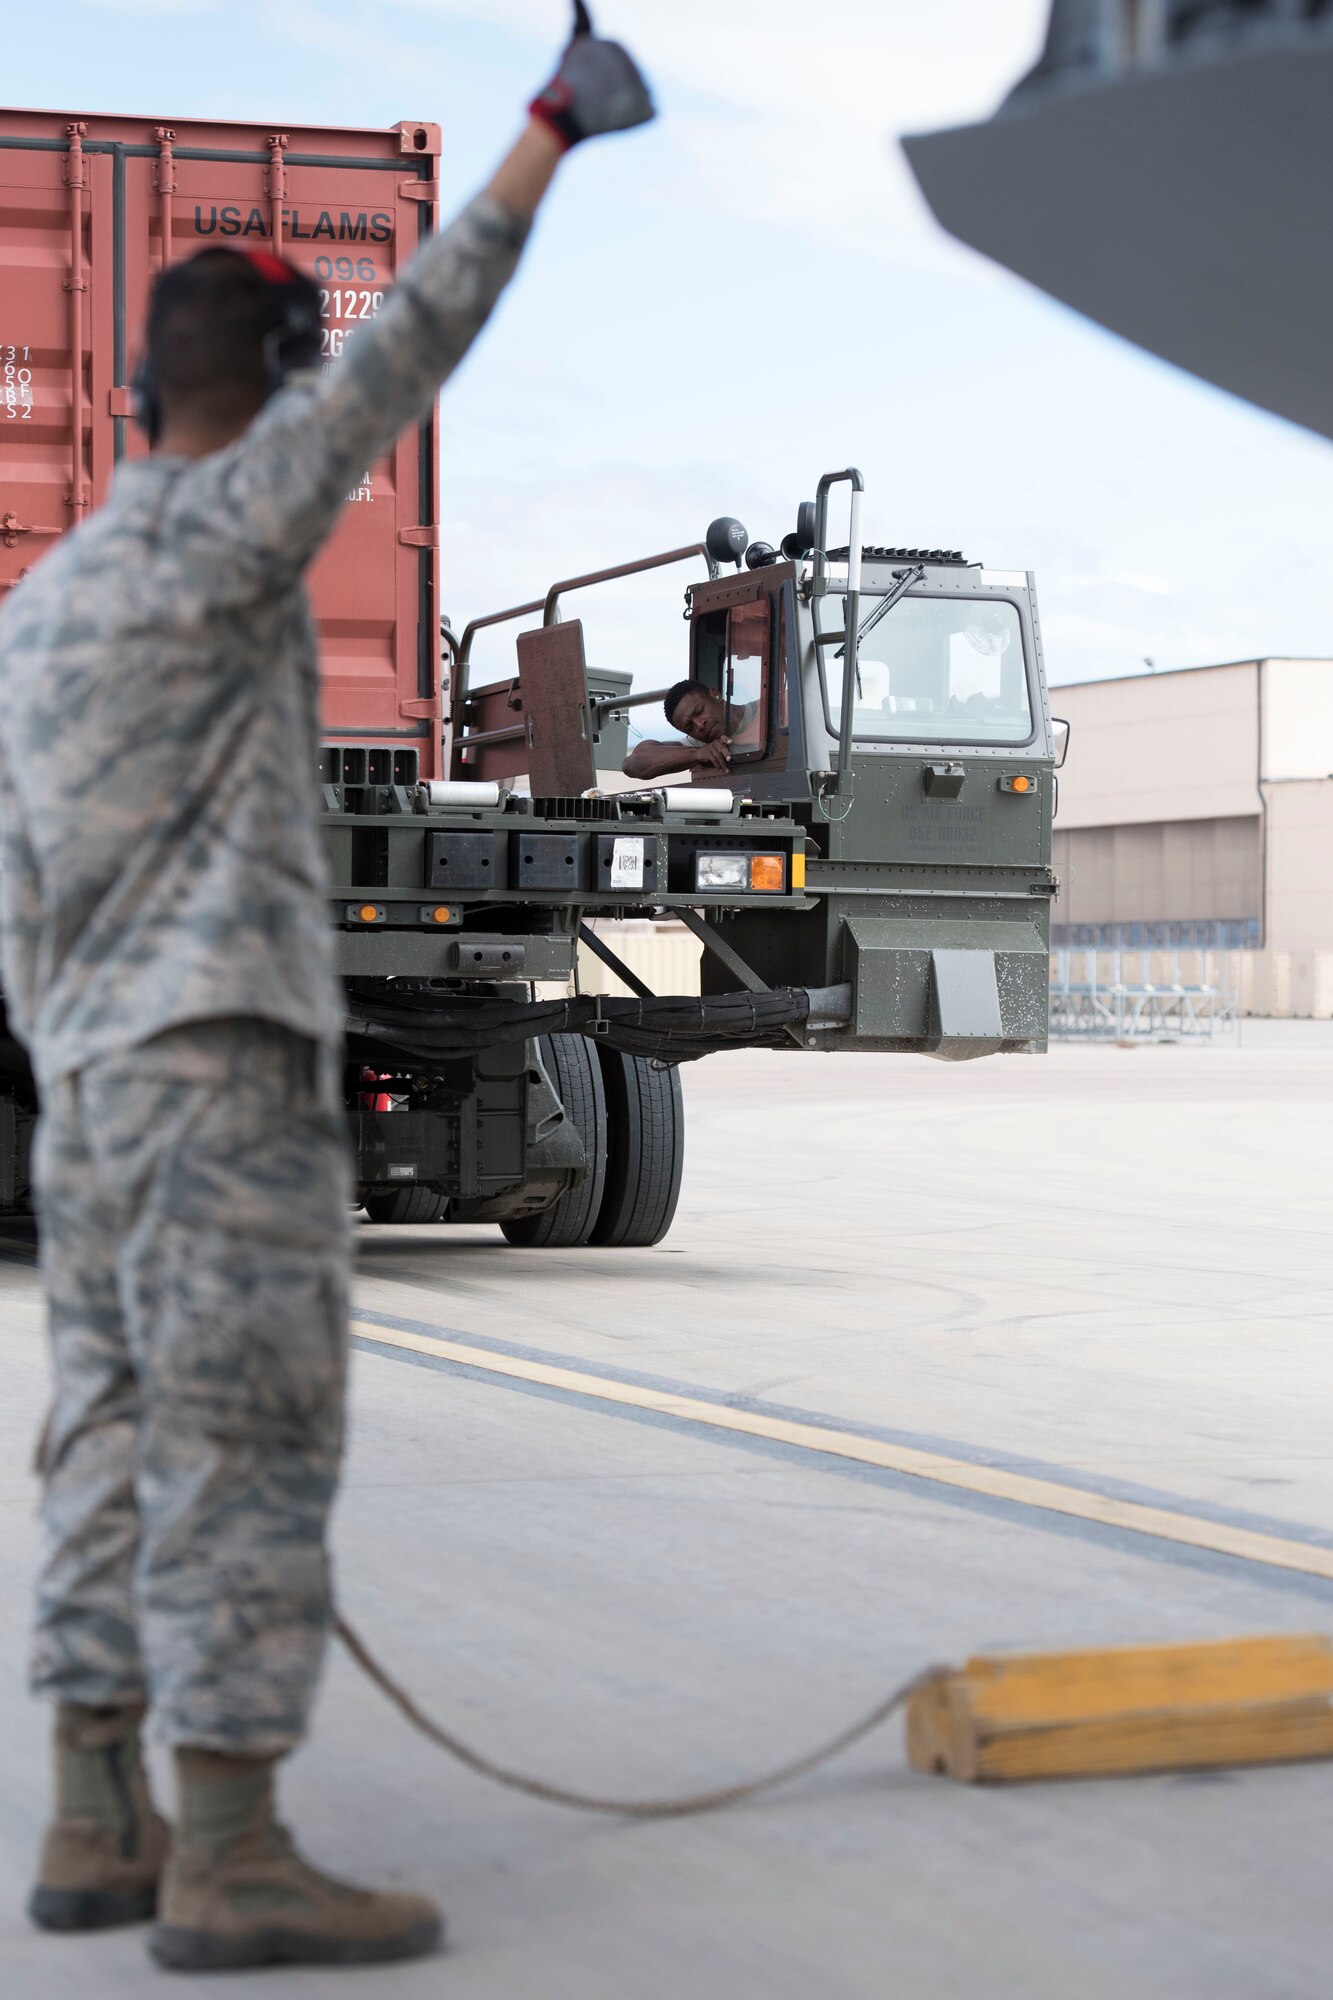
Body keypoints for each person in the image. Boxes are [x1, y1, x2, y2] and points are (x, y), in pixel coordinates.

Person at [0, 9, 653, 1975]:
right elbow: (412, 343)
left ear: (130, 393)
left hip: (92, 1085)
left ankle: (96, 1817)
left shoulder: (39, 612)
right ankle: (235, 1849)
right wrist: (546, 132)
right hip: (216, 1076)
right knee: (253, 1436)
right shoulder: (229, 534)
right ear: (269, 392)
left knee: (106, 1427)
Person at [621, 678, 761, 780]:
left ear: (716, 695)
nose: (700, 725)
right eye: (690, 727)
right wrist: (697, 754)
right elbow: (632, 764)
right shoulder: (698, 745)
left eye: (699, 711)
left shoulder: (766, 710)